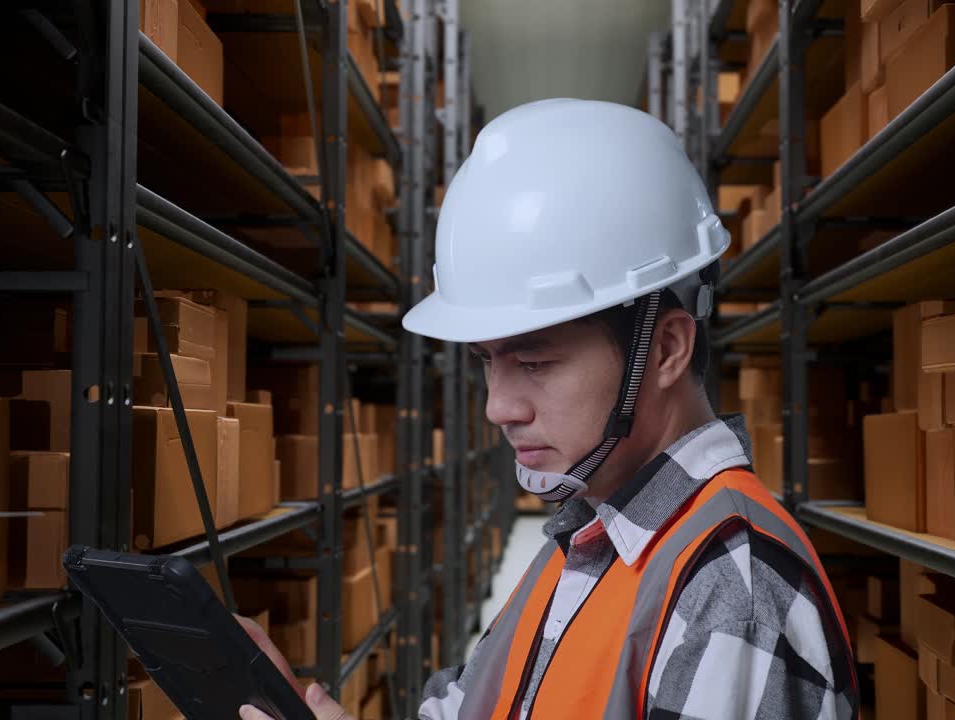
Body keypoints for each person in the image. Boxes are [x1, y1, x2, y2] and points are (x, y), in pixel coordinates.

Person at [242, 98, 858, 720]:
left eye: (534, 363)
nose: (498, 408)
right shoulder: (593, 532)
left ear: (666, 347)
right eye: (487, 360)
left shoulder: (730, 588)